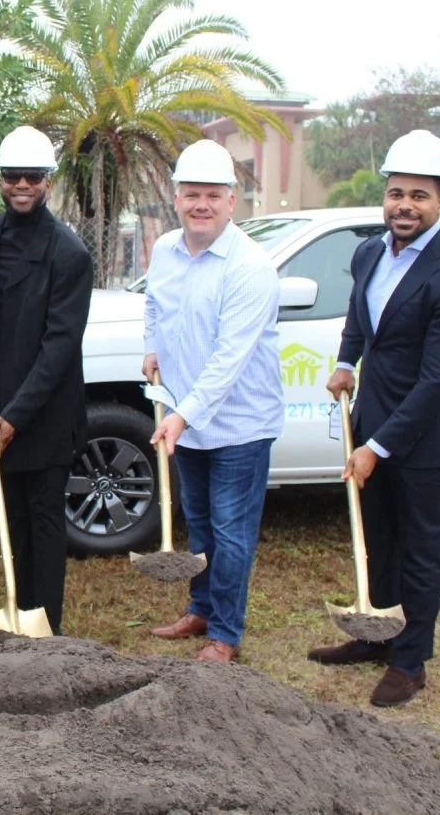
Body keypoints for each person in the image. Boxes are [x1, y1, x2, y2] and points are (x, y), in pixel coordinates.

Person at [307, 130, 440, 707]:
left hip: (427, 437)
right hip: (375, 417)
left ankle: (410, 661)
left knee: (419, 548)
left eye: (419, 195)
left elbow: (438, 382)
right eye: (396, 193)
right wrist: (344, 361)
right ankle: (375, 637)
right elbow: (360, 323)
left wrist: (377, 447)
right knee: (378, 538)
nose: (404, 205)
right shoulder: (368, 253)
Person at [142, 139, 284, 663]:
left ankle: (225, 631)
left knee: (230, 529)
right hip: (188, 416)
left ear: (232, 201)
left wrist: (181, 416)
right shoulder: (165, 250)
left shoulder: (249, 267)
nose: (200, 204)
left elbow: (230, 359)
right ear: (175, 198)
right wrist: (151, 348)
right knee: (199, 521)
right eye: (191, 194)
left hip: (239, 424)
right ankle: (200, 608)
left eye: (212, 196)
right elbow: (154, 306)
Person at [0, 126, 93, 640]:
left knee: (43, 521)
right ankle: (18, 612)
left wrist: (17, 414)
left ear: (47, 182)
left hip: (44, 411)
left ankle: (46, 629)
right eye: (12, 176)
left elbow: (61, 347)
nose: (21, 185)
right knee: (9, 514)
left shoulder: (69, 254)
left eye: (31, 177)